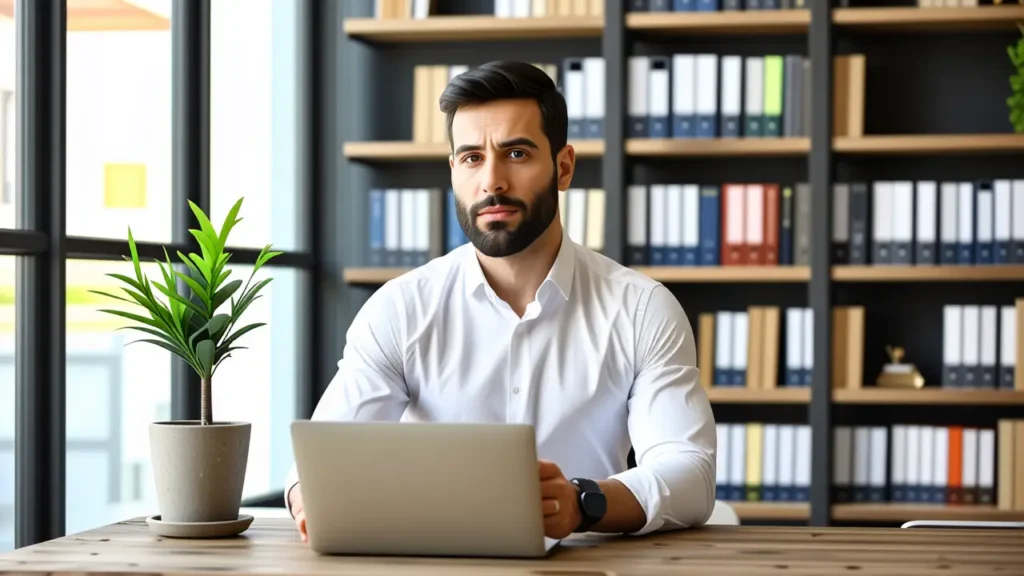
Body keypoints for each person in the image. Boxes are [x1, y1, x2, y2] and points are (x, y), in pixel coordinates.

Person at [283, 60, 716, 542]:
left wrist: (580, 502)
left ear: (564, 166)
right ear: (453, 171)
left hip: (589, 565)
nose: (492, 182)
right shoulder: (400, 310)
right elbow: (317, 462)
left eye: (516, 153)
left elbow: (690, 472)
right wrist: (310, 497)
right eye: (471, 157)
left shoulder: (641, 309)